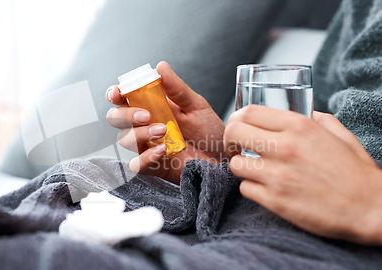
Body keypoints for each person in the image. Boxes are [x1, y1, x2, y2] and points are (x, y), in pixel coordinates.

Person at [105, 0, 382, 245]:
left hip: (335, 251)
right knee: (84, 180)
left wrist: (370, 203)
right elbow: (318, 158)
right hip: (275, 224)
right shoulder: (359, 8)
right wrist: (222, 167)